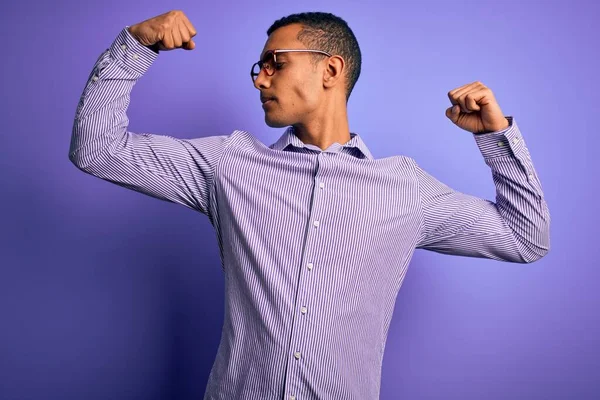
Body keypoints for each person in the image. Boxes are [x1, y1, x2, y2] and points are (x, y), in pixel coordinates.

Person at [69, 10, 551, 400]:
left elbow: (525, 238)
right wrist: (134, 46)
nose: (261, 79)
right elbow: (97, 149)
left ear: (331, 69)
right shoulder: (229, 166)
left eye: (275, 62)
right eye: (260, 67)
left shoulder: (404, 189)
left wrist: (495, 136)